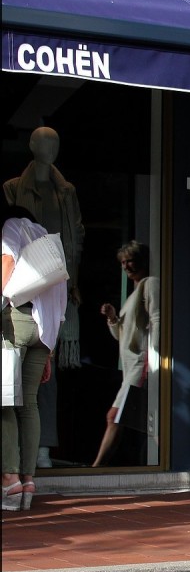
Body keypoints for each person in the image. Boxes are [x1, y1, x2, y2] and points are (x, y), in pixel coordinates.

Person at [5, 126, 86, 470]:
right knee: (27, 393)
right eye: (44, 142)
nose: (50, 149)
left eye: (55, 142)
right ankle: (28, 469)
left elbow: (75, 242)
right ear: (31, 146)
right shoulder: (13, 189)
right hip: (41, 304)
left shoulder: (66, 193)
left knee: (18, 394)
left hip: (39, 303)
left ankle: (18, 470)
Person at [2, 204, 68, 509]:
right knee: (28, 404)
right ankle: (28, 480)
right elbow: (59, 293)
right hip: (43, 330)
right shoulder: (46, 238)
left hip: (14, 322)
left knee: (4, 402)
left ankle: (9, 480)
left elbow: (5, 271)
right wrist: (50, 349)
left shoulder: (10, 229)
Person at [92, 241, 159, 468]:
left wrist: (156, 354)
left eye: (129, 260)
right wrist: (113, 319)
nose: (126, 266)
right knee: (137, 420)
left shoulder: (150, 285)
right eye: (122, 262)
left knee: (115, 417)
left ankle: (97, 468)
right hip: (132, 366)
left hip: (142, 364)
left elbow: (157, 319)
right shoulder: (135, 293)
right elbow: (123, 336)